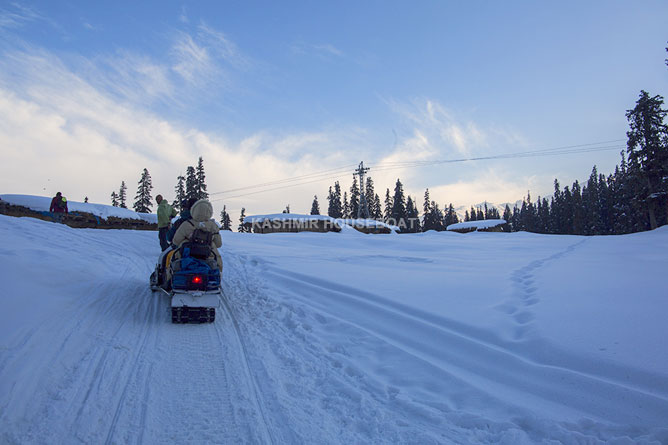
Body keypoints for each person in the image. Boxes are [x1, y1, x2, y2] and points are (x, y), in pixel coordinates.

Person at [166, 199, 223, 283]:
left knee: (173, 260)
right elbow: (219, 244)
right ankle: (215, 279)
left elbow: (176, 241)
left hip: (187, 254)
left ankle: (170, 280)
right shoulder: (213, 226)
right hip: (208, 254)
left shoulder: (186, 224)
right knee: (217, 262)